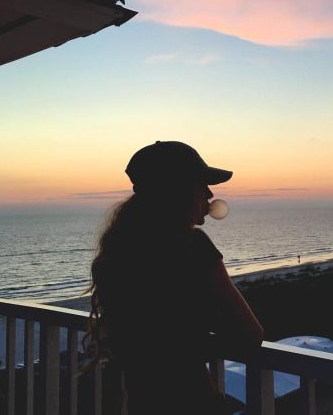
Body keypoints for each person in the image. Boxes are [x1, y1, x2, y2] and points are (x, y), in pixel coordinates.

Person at [84, 141, 264, 414]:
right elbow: (251, 334)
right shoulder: (195, 245)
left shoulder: (123, 252)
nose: (210, 193)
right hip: (195, 401)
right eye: (202, 185)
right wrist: (194, 341)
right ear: (179, 191)